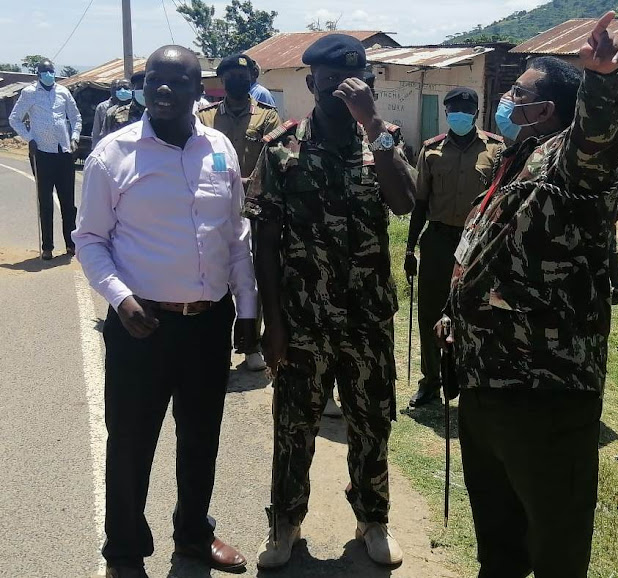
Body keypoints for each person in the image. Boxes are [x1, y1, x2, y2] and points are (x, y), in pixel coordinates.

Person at [436, 13, 618, 578]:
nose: (504, 100)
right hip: (485, 381)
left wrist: (601, 82)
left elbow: (596, 142)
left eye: (518, 93)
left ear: (546, 110)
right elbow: (488, 249)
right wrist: (455, 314)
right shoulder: (519, 156)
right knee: (499, 541)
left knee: (554, 547)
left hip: (543, 388)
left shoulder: (577, 166)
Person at [73, 45, 252, 578]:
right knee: (131, 442)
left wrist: (247, 306)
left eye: (177, 80)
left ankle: (194, 533)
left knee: (201, 436)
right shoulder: (114, 154)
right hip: (140, 324)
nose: (164, 89)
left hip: (209, 322)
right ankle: (124, 551)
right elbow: (88, 239)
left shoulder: (220, 148)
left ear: (200, 89)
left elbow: (236, 233)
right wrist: (120, 299)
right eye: (155, 79)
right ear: (143, 86)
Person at [245, 34, 415, 569]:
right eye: (328, 78)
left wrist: (373, 126)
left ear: (367, 81)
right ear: (310, 82)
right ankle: (285, 524)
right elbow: (265, 243)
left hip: (367, 319)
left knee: (371, 423)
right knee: (294, 426)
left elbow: (405, 201)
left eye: (355, 77)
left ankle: (373, 519)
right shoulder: (282, 149)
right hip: (302, 322)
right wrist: (272, 325)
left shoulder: (383, 141)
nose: (342, 86)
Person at [404, 87, 503, 407]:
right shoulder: (431, 150)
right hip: (438, 240)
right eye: (453, 109)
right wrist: (409, 249)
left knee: (476, 312)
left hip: (477, 243)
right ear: (447, 113)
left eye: (465, 109)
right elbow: (420, 203)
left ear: (475, 112)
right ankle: (431, 380)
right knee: (431, 312)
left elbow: (501, 202)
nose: (458, 114)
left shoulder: (496, 150)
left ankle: (471, 380)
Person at [199, 54, 281, 371]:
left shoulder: (268, 117)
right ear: (222, 80)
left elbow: (275, 158)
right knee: (214, 269)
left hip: (255, 206)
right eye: (231, 74)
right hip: (214, 207)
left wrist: (247, 181)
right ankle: (216, 341)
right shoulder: (204, 117)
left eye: (243, 75)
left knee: (255, 274)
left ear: (252, 79)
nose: (237, 79)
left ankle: (251, 344)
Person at [9, 58, 82, 260]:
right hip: (41, 152)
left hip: (64, 151)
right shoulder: (29, 93)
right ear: (38, 74)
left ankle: (71, 243)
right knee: (46, 200)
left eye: (51, 71)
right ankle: (47, 246)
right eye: (45, 72)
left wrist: (75, 137)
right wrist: (29, 138)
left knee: (68, 201)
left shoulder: (63, 92)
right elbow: (14, 118)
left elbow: (75, 117)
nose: (49, 75)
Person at [102, 71, 146, 137]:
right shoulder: (116, 113)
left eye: (145, 88)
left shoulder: (160, 113)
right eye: (140, 88)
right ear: (133, 90)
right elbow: (106, 138)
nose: (143, 92)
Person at [92, 79, 131, 147]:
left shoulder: (138, 109)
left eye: (126, 88)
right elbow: (100, 132)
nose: (122, 91)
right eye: (118, 88)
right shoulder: (110, 111)